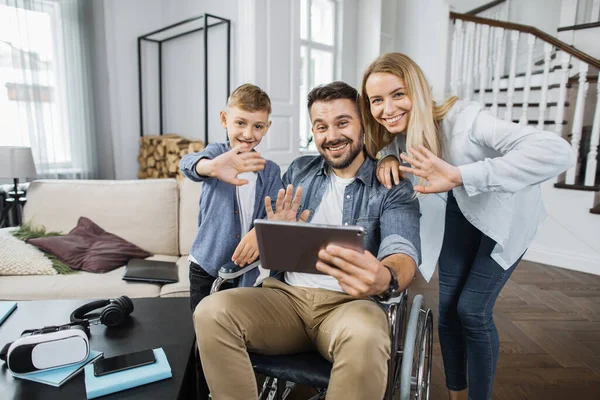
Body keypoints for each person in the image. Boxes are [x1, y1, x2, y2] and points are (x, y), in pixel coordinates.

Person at [360, 52, 575, 400]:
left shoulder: (468, 121)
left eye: (398, 94)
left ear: (417, 89)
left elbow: (557, 151)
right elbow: (382, 145)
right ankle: (455, 394)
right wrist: (386, 155)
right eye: (376, 100)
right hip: (463, 211)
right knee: (446, 311)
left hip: (505, 220)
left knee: (472, 311)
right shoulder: (398, 134)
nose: (387, 109)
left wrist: (460, 175)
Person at [194, 81, 421, 400]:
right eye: (321, 126)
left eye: (342, 123)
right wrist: (272, 229)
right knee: (210, 312)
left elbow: (402, 251)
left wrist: (385, 276)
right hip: (285, 300)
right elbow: (269, 224)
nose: (332, 136)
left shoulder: (391, 186)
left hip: (350, 305)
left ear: (363, 125)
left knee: (369, 333)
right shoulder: (300, 170)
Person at [180, 83, 283, 313]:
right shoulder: (216, 154)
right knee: (203, 329)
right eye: (240, 123)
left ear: (267, 127)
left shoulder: (271, 171)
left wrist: (262, 230)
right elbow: (186, 164)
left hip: (244, 272)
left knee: (236, 328)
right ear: (224, 119)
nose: (248, 134)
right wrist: (210, 167)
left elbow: (276, 212)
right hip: (205, 267)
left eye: (257, 126)